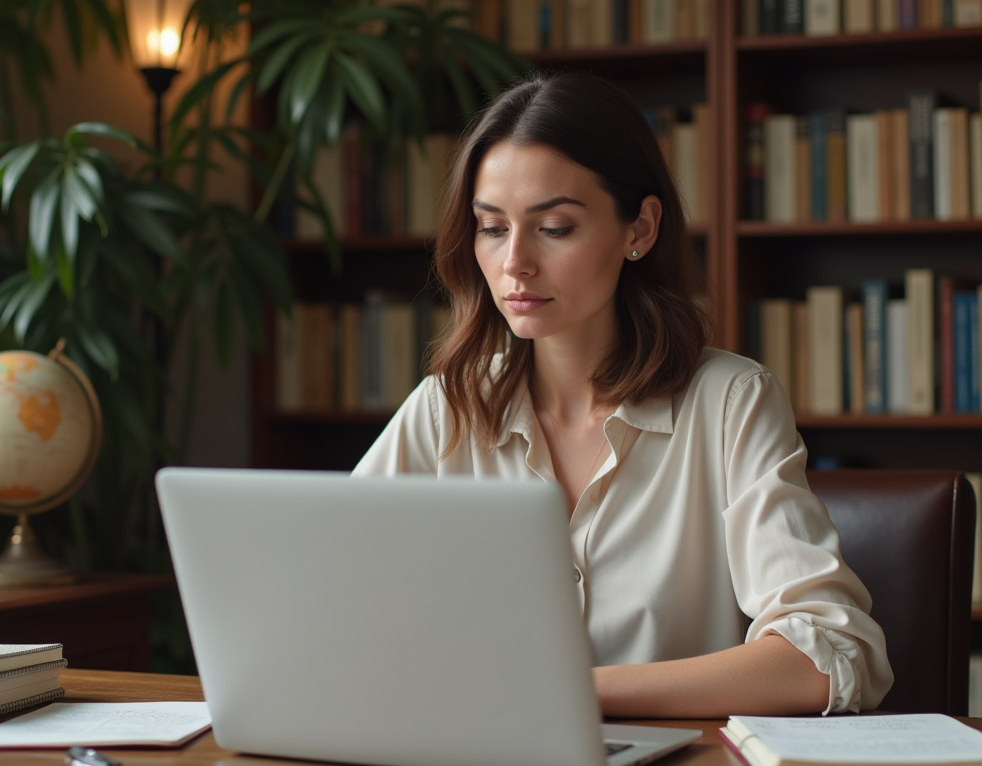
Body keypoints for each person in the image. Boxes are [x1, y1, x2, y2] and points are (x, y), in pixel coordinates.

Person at [353, 73, 893, 718]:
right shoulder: (446, 407)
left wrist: (573, 694)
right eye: (492, 228)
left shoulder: (729, 402)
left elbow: (830, 656)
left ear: (639, 228)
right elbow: (326, 602)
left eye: (554, 227)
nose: (514, 262)